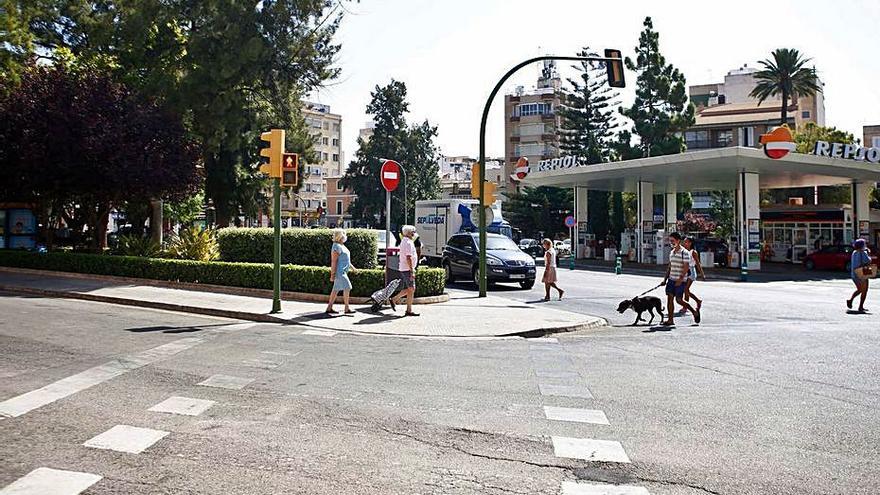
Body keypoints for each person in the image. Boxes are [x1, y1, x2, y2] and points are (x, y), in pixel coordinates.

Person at [660, 232, 700, 326]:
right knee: (670, 298)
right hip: (671, 279)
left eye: (673, 241)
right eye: (670, 241)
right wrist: (665, 279)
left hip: (681, 280)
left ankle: (694, 311)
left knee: (679, 300)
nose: (671, 242)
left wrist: (680, 279)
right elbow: (670, 267)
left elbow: (686, 267)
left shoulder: (684, 252)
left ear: (678, 241)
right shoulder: (672, 252)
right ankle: (670, 320)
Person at [326, 229, 356, 315]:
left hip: (343, 272)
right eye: (344, 235)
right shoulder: (336, 246)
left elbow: (346, 260)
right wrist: (333, 274)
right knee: (347, 287)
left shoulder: (342, 246)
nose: (345, 237)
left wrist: (353, 268)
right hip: (340, 273)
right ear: (340, 236)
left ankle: (329, 307)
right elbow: (334, 261)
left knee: (335, 290)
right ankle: (346, 308)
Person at [392, 225, 419, 316]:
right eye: (413, 232)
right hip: (407, 269)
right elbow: (408, 257)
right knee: (411, 289)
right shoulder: (408, 243)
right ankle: (397, 301)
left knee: (409, 289)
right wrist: (412, 270)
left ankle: (407, 308)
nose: (414, 233)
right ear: (408, 233)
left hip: (404, 268)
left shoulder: (405, 241)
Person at [847, 239, 872, 313]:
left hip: (854, 274)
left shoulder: (854, 252)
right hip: (862, 274)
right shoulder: (863, 252)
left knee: (860, 289)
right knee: (864, 290)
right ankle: (860, 306)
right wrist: (869, 254)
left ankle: (851, 300)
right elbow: (868, 261)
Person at [681, 237, 704, 314]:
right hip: (685, 271)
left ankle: (696, 301)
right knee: (686, 290)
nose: (684, 243)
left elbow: (698, 263)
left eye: (686, 242)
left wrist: (702, 274)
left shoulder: (693, 252)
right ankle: (687, 305)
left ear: (690, 243)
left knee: (685, 289)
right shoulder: (684, 251)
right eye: (684, 242)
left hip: (691, 271)